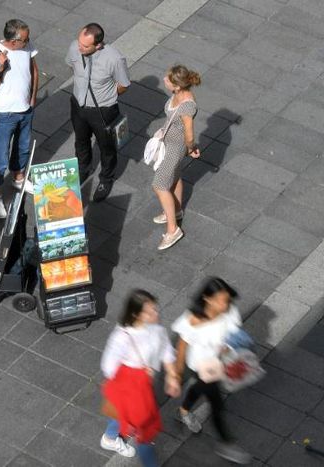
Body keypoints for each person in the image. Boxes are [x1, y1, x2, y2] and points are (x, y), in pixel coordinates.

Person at [172, 277, 252, 464]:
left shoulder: (229, 311)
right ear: (207, 298)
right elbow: (182, 345)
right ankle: (226, 444)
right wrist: (177, 371)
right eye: (220, 300)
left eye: (226, 299)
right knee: (217, 405)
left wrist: (229, 348)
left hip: (221, 362)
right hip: (202, 366)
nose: (225, 304)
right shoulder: (193, 319)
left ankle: (183, 411)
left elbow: (234, 335)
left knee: (199, 389)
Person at [100, 290, 181, 466]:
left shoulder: (157, 329)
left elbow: (166, 350)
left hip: (141, 385)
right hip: (129, 387)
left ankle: (110, 438)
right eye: (150, 311)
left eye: (155, 309)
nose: (156, 314)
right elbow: (108, 366)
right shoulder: (122, 336)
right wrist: (134, 375)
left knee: (124, 416)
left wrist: (172, 376)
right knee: (144, 429)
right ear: (136, 314)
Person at [66, 23, 131, 202]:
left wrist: (108, 96)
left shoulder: (114, 58)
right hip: (78, 105)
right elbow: (72, 66)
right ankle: (83, 168)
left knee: (107, 147)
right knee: (81, 140)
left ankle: (106, 178)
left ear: (99, 45)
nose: (80, 47)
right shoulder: (74, 47)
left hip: (104, 110)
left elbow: (123, 84)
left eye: (85, 46)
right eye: (80, 42)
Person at [0, 18, 39, 218]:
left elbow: (33, 69)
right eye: (25, 39)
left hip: (25, 110)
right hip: (4, 115)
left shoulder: (27, 46)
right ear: (14, 41)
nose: (29, 41)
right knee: (0, 158)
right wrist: (0, 69)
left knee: (22, 148)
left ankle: (18, 178)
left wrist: (32, 97)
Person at [151, 65, 201, 250]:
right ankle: (176, 210)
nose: (164, 80)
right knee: (176, 177)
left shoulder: (187, 105)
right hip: (169, 142)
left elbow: (189, 134)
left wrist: (191, 147)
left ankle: (173, 231)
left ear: (177, 87)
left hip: (176, 146)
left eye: (168, 79)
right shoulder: (177, 94)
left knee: (159, 184)